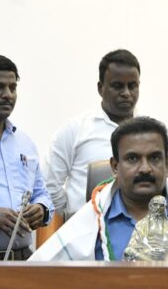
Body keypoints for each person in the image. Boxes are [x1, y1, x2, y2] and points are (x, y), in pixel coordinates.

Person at [30, 116, 168, 261]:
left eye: (154, 158)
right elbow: (37, 276)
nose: (145, 168)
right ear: (115, 167)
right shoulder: (87, 225)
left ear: (167, 163)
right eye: (133, 159)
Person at [0, 53, 54, 260]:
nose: (8, 95)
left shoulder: (24, 142)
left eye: (12, 88)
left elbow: (42, 192)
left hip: (24, 258)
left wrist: (41, 209)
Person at [44, 49, 141, 220]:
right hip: (85, 232)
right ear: (100, 88)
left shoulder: (151, 135)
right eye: (118, 86)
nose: (126, 93)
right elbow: (50, 186)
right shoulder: (75, 130)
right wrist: (73, 218)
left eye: (132, 86)